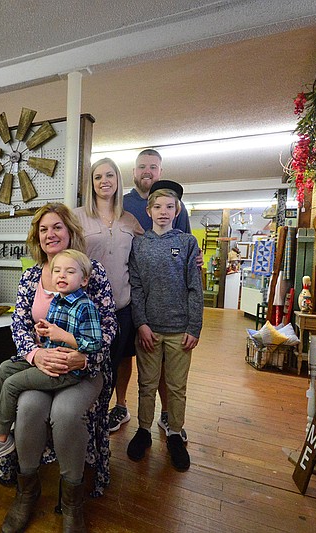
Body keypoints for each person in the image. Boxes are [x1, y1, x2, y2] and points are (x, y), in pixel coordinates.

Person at [0, 203, 116, 532]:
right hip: (41, 367)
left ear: (70, 232)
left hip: (82, 371)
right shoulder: (31, 276)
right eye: (44, 229)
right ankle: (26, 491)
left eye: (57, 227)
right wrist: (35, 355)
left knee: (65, 414)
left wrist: (84, 356)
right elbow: (19, 326)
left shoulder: (91, 271)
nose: (51, 234)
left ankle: (72, 502)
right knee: (29, 406)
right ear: (37, 237)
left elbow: (108, 328)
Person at [0, 249, 102, 465]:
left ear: (84, 279)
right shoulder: (58, 300)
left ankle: (1, 438)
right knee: (4, 369)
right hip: (48, 357)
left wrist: (64, 336)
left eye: (69, 272)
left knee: (12, 384)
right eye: (57, 271)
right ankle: (1, 419)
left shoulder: (85, 306)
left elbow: (95, 343)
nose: (61, 276)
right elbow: (49, 334)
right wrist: (43, 332)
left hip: (65, 370)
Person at [110, 148, 199, 438]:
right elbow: (135, 279)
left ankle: (172, 423)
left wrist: (193, 325)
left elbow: (191, 273)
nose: (147, 171)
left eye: (153, 166)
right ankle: (130, 415)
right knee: (136, 370)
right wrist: (142, 321)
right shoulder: (123, 207)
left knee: (172, 377)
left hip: (175, 321)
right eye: (142, 166)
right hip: (138, 309)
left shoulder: (184, 235)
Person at [127, 181, 203, 471]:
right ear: (148, 210)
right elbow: (136, 285)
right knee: (146, 385)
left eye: (169, 207)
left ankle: (174, 433)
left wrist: (194, 327)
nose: (163, 212)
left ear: (177, 210)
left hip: (179, 330)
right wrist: (141, 324)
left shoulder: (186, 243)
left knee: (176, 387)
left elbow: (194, 288)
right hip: (149, 330)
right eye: (157, 207)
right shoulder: (139, 244)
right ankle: (144, 430)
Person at [73, 158, 142, 401]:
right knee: (87, 369)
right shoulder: (77, 217)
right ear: (91, 184)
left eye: (109, 175)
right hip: (86, 308)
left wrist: (190, 254)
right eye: (98, 177)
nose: (104, 181)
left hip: (121, 306)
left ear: (118, 181)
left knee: (114, 366)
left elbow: (148, 250)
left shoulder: (129, 219)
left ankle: (105, 416)